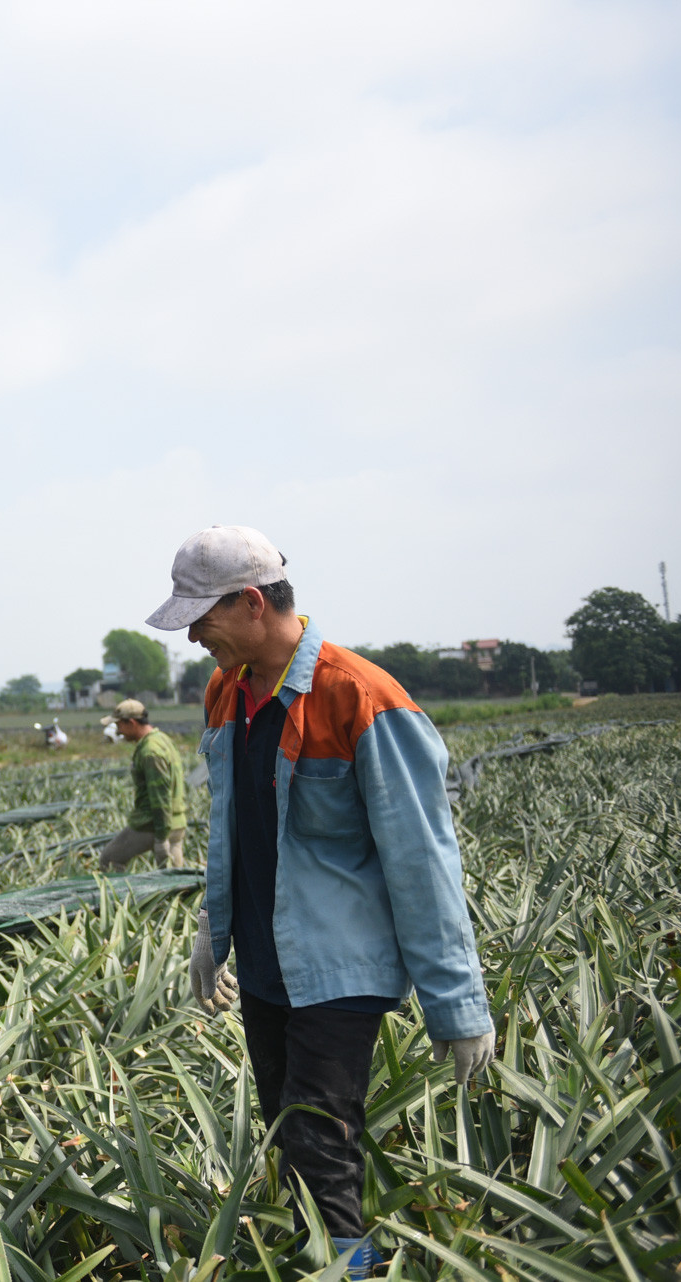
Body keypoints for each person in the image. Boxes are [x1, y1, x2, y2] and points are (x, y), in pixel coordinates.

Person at [146, 526, 494, 1280]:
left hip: (341, 966)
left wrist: (457, 1005)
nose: (194, 635)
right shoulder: (225, 690)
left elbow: (423, 859)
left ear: (249, 603)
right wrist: (214, 926)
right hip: (268, 964)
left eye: (203, 617)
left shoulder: (361, 697)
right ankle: (319, 1260)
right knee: (287, 1136)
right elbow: (233, 827)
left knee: (318, 1143)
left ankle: (352, 1272)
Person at [95, 699, 187, 871]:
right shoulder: (162, 739)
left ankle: (119, 897)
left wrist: (161, 838)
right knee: (176, 879)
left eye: (119, 725)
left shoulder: (150, 752)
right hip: (177, 822)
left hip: (153, 824)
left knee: (109, 860)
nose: (118, 731)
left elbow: (160, 796)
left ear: (131, 723)